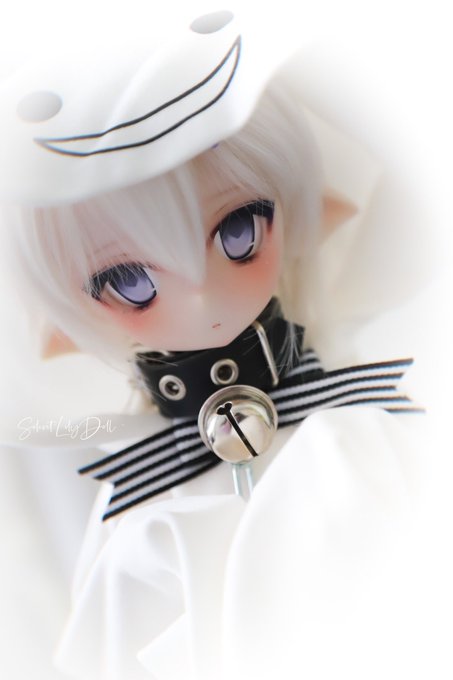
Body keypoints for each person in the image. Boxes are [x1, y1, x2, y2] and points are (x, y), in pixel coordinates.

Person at [0, 7, 443, 680]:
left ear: (298, 207)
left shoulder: (359, 419)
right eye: (129, 282)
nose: (203, 300)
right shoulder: (147, 517)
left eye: (238, 233)